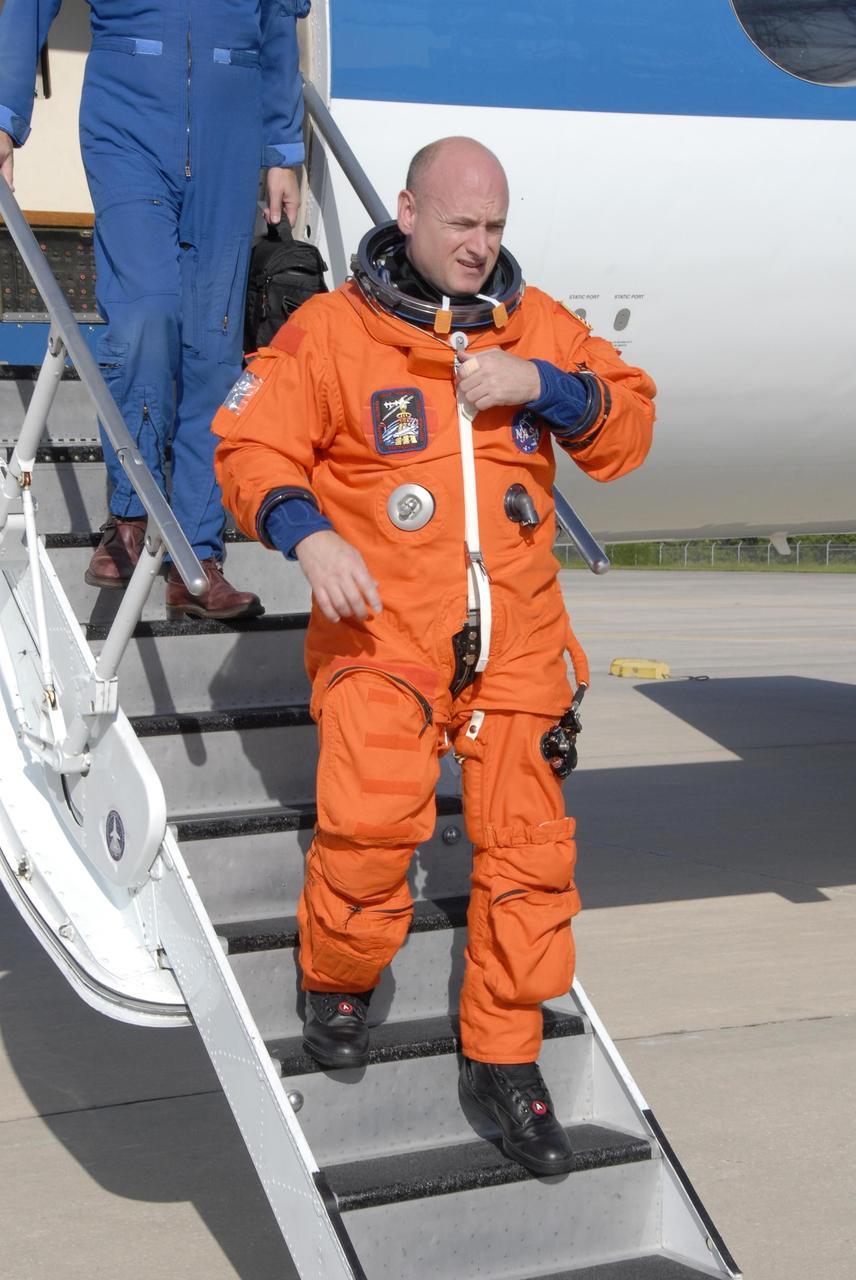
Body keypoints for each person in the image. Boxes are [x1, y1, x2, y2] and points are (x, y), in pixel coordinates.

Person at [213, 137, 656, 1175]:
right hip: (385, 633)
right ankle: (336, 974)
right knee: (371, 826)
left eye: (495, 226)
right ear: (406, 210)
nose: (479, 245)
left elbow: (627, 425)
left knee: (530, 862)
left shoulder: (534, 322)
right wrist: (306, 533)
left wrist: (539, 381)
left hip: (519, 642)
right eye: (461, 224)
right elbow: (248, 445)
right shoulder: (331, 332)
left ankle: (503, 1057)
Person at [0, 0, 310, 618]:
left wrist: (282, 145)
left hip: (232, 126)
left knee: (213, 348)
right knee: (146, 316)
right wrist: (6, 118)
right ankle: (130, 513)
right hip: (127, 118)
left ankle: (196, 557)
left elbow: (278, 16)